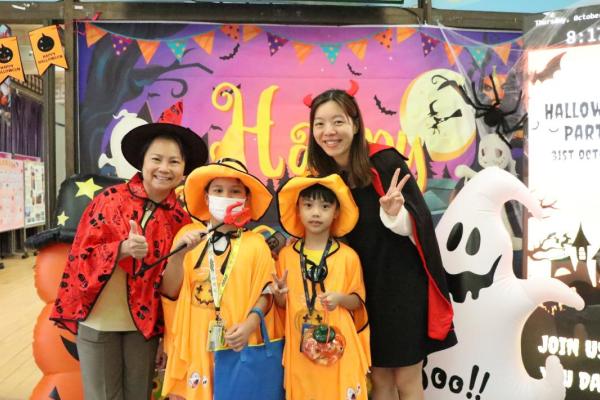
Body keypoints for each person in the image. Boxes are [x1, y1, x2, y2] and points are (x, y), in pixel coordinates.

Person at [305, 86, 457, 400]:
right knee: (377, 378)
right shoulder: (321, 177)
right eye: (320, 124)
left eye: (338, 121)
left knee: (407, 378)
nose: (329, 131)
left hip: (400, 286)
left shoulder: (385, 162)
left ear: (355, 124)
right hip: (358, 290)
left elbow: (421, 225)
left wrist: (395, 214)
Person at [49, 108, 209, 400]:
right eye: (156, 159)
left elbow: (172, 291)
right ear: (142, 162)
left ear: (184, 169)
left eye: (174, 161)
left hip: (144, 328)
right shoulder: (109, 201)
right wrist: (120, 249)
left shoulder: (181, 221)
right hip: (98, 322)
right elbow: (79, 260)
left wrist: (176, 256)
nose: (164, 168)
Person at [160, 158, 279, 400]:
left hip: (239, 342)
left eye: (235, 191)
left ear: (246, 199)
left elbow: (267, 292)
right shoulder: (187, 236)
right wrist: (179, 255)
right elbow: (170, 291)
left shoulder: (256, 244)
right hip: (193, 344)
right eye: (218, 190)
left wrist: (249, 325)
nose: (226, 196)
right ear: (206, 197)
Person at [273, 173, 370, 400]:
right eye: (308, 205)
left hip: (339, 346)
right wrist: (279, 294)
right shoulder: (286, 256)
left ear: (336, 212)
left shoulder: (348, 256)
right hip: (301, 350)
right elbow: (282, 306)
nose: (316, 213)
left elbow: (358, 302)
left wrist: (340, 299)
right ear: (298, 209)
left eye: (325, 206)